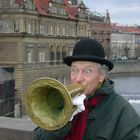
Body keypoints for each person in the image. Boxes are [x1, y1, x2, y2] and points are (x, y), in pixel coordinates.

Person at [33, 38, 140, 140]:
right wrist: (63, 119)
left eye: (87, 71)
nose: (78, 78)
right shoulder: (59, 102)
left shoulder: (122, 111)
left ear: (101, 76)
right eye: (74, 70)